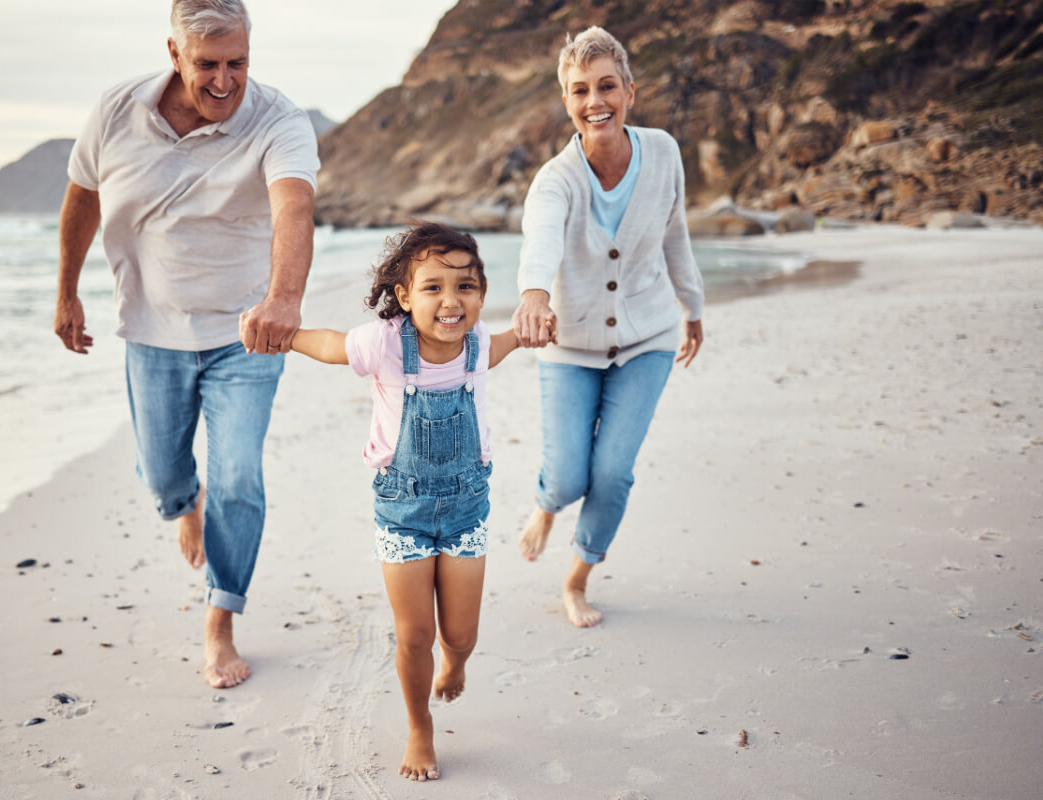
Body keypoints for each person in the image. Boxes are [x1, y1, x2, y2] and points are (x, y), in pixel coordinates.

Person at [52, 0, 319, 688]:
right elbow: (82, 194)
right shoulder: (118, 110)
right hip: (152, 329)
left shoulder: (279, 120)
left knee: (239, 478)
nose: (226, 80)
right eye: (208, 65)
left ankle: (220, 619)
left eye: (239, 63)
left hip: (245, 334)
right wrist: (67, 291)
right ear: (173, 54)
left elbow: (294, 206)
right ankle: (182, 505)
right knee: (165, 475)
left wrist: (284, 299)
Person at [244, 223, 518, 781]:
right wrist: (283, 334)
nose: (450, 300)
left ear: (482, 295)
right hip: (402, 513)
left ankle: (456, 664)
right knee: (415, 635)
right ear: (404, 296)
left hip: (467, 509)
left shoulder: (481, 343)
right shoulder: (385, 342)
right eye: (433, 287)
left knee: (460, 636)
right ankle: (420, 727)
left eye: (465, 287)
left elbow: (506, 346)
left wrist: (535, 330)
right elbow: (327, 345)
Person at [512, 26, 705, 628]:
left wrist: (691, 306)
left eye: (606, 87)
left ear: (629, 91)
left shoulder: (664, 152)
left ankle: (576, 579)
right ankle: (547, 504)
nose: (595, 101)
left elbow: (675, 231)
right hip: (570, 345)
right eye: (580, 91)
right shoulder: (556, 179)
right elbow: (541, 236)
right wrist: (534, 295)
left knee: (612, 472)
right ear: (566, 102)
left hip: (647, 338)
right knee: (569, 475)